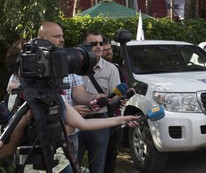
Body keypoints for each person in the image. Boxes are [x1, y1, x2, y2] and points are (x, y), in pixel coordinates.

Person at [37, 22, 99, 173]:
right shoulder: (31, 62)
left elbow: (79, 93)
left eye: (62, 36)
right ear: (42, 38)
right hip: (41, 137)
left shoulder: (69, 61)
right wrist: (68, 110)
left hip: (70, 134)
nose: (62, 40)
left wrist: (96, 97)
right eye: (57, 36)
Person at [0, 99, 139, 160]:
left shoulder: (55, 97)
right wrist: (25, 119)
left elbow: (83, 124)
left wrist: (121, 119)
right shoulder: (20, 97)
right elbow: (7, 147)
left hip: (60, 163)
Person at [75, 30, 121, 173]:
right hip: (76, 122)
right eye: (93, 43)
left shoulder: (111, 69)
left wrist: (114, 101)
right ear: (84, 45)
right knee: (72, 164)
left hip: (100, 122)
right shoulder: (74, 67)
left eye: (101, 43)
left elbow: (115, 97)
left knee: (98, 166)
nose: (99, 46)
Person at [102, 36, 127, 173]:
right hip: (98, 117)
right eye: (105, 50)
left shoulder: (118, 69)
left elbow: (124, 88)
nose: (109, 52)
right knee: (99, 153)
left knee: (112, 154)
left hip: (115, 118)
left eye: (109, 49)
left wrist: (123, 98)